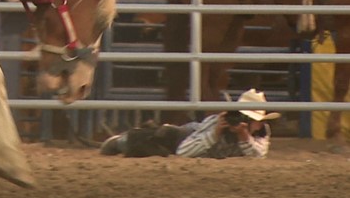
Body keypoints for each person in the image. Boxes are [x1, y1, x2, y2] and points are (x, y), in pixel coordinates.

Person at [99, 88, 280, 159]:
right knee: (158, 137)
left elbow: (258, 156)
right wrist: (215, 133)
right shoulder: (219, 123)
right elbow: (184, 151)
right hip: (183, 137)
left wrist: (244, 137)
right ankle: (121, 140)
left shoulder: (262, 132)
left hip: (198, 147)